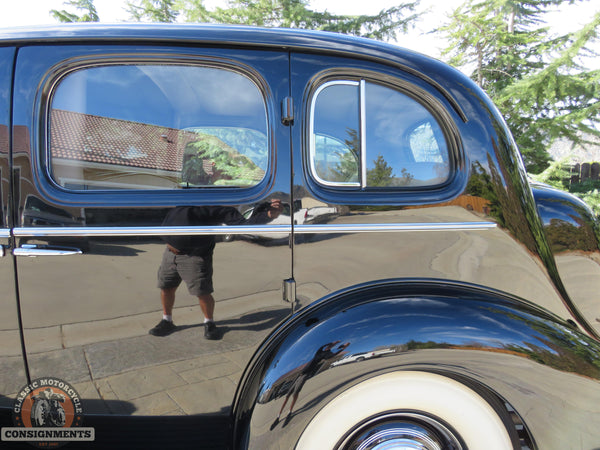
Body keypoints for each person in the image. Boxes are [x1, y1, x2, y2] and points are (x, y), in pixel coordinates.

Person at [149, 199, 283, 339]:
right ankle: (167, 320)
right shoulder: (186, 192)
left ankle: (209, 323)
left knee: (202, 292)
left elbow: (243, 225)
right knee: (166, 287)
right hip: (170, 253)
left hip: (194, 256)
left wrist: (268, 215)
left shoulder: (219, 204)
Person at [271, 340, 350, 429]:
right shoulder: (320, 351)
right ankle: (278, 416)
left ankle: (290, 411)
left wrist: (343, 348)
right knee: (287, 395)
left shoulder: (326, 354)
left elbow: (333, 355)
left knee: (295, 393)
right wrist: (335, 343)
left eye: (330, 346)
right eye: (329, 345)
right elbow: (324, 344)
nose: (329, 346)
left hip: (305, 375)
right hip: (299, 375)